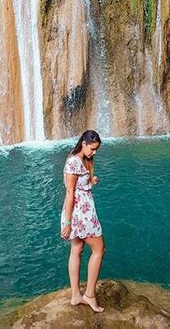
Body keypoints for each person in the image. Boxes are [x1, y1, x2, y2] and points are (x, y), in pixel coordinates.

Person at [60, 129, 105, 313]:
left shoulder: (80, 160)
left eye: (96, 150)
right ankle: (89, 295)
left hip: (80, 210)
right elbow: (70, 192)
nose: (93, 152)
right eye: (92, 149)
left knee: (77, 249)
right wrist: (68, 222)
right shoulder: (73, 162)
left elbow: (78, 186)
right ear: (83, 144)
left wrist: (90, 181)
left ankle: (75, 296)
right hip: (81, 213)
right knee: (99, 249)